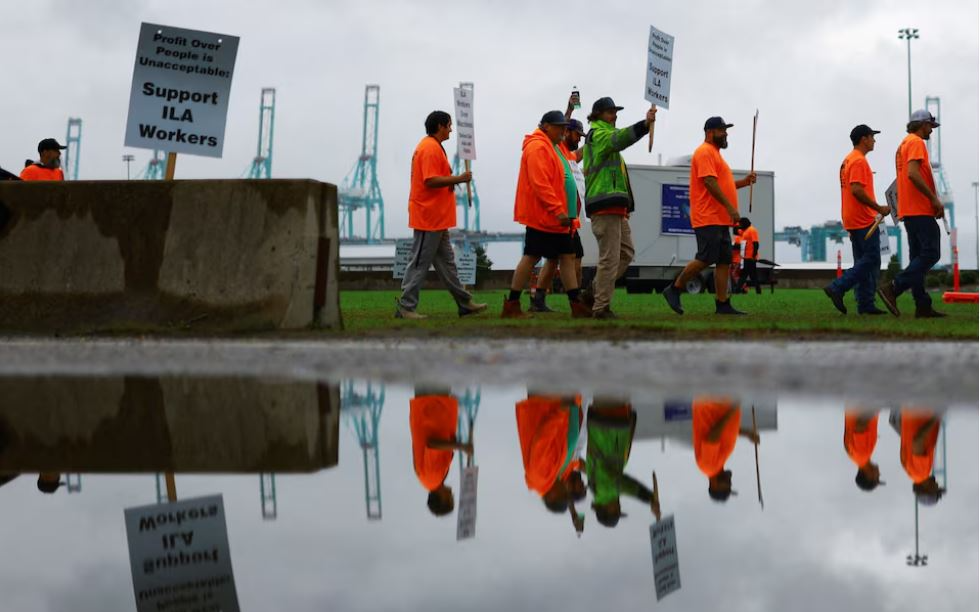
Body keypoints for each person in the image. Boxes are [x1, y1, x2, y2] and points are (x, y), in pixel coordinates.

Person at [395, 111, 488, 320]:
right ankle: (406, 307)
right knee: (419, 262)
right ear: (440, 126)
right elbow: (430, 180)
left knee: (448, 264)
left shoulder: (432, 146)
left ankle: (465, 303)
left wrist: (455, 180)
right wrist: (459, 178)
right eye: (449, 125)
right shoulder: (429, 148)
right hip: (429, 217)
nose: (451, 129)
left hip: (437, 218)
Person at [662, 117, 757, 315]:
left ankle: (722, 304)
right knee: (706, 258)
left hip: (719, 219)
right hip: (708, 217)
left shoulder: (716, 155)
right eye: (722, 130)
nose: (726, 134)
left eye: (726, 130)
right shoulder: (705, 152)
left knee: (724, 261)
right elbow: (710, 183)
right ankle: (675, 288)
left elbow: (724, 185)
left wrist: (745, 182)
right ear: (710, 132)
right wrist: (731, 207)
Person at [502, 111, 591, 318]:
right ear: (547, 126)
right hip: (543, 217)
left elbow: (568, 165)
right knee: (531, 257)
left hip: (556, 218)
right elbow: (540, 183)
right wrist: (558, 210)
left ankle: (575, 304)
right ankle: (512, 304)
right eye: (560, 127)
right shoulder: (537, 147)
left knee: (567, 257)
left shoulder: (552, 145)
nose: (563, 131)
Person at [581, 97, 657, 319]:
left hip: (614, 208)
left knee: (625, 253)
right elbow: (620, 138)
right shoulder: (599, 134)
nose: (614, 115)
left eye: (615, 112)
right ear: (596, 116)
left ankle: (592, 294)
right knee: (610, 258)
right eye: (609, 112)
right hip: (604, 207)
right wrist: (644, 125)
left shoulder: (603, 138)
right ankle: (600, 307)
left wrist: (627, 207)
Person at [877, 110, 946, 318]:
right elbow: (913, 174)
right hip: (920, 209)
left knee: (918, 258)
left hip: (908, 210)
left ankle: (922, 305)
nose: (931, 132)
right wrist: (934, 200)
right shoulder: (916, 143)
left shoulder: (902, 145)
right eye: (930, 127)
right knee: (931, 253)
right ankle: (893, 288)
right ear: (922, 124)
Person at [823, 125, 891, 315]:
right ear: (864, 139)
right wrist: (879, 208)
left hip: (852, 218)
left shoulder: (847, 160)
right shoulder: (859, 161)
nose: (874, 140)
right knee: (870, 260)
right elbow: (857, 190)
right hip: (863, 219)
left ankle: (865, 304)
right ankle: (838, 287)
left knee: (864, 261)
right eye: (872, 137)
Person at [531, 104, 588, 313]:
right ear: (565, 132)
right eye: (576, 134)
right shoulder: (558, 147)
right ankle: (576, 298)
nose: (579, 139)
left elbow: (578, 156)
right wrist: (570, 110)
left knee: (555, 259)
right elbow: (561, 125)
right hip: (562, 215)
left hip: (570, 217)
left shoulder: (569, 154)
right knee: (570, 259)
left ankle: (538, 299)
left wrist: (591, 142)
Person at [585, 397, 659, 527]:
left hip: (608, 420)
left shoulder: (604, 491)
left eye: (616, 511)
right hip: (610, 420)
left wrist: (649, 498)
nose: (619, 506)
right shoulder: (596, 487)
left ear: (607, 510)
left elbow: (625, 485)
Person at [515, 393, 586, 518]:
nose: (566, 489)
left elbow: (543, 439)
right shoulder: (552, 478)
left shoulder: (540, 476)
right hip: (557, 401)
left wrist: (562, 411)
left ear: (552, 497)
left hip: (546, 400)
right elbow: (566, 459)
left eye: (564, 494)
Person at [409, 387, 471, 516]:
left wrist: (462, 447)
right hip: (428, 406)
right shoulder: (430, 479)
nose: (452, 494)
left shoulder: (432, 478)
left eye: (450, 499)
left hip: (433, 407)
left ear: (442, 500)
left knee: (439, 369)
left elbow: (432, 445)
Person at [691, 396, 759, 502]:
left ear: (714, 486)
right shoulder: (717, 465)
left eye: (726, 487)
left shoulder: (709, 467)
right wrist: (747, 434)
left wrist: (732, 409)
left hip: (713, 401)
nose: (730, 483)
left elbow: (713, 437)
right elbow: (723, 431)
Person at [898, 408, 945, 505]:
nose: (937, 485)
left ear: (927, 489)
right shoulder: (910, 472)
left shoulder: (921, 472)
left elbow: (917, 440)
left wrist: (936, 418)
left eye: (936, 490)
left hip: (921, 410)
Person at [843, 409, 883, 491]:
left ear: (869, 476)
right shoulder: (854, 457)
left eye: (877, 477)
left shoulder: (862, 454)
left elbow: (860, 426)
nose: (879, 474)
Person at [734, 217, 762, 295]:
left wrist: (754, 255)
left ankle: (737, 290)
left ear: (745, 223)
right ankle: (738, 290)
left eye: (741, 224)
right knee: (747, 275)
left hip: (750, 258)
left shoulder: (752, 230)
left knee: (748, 275)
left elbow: (756, 243)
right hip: (746, 257)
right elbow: (736, 231)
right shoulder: (745, 231)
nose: (740, 226)